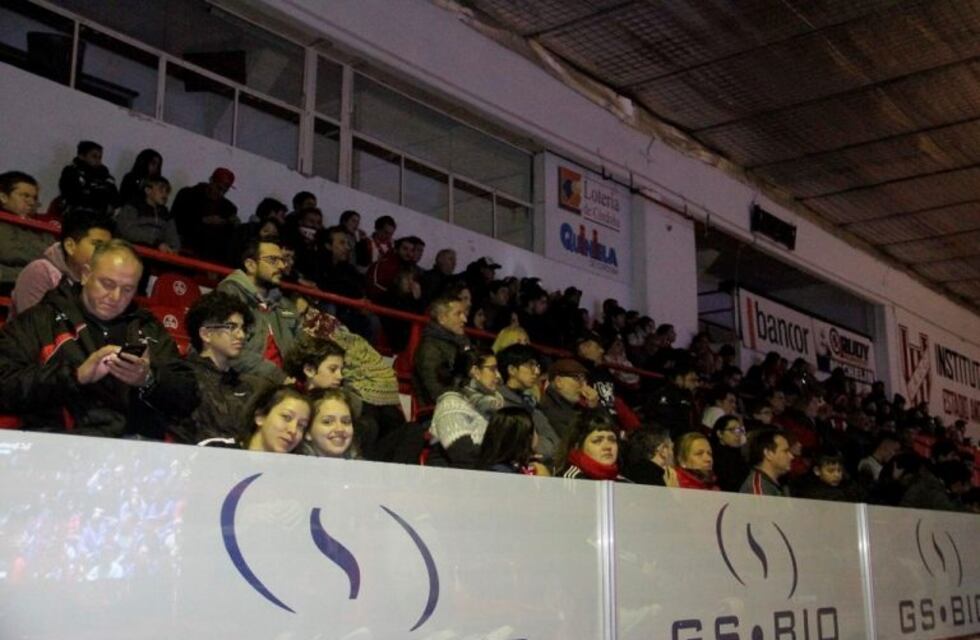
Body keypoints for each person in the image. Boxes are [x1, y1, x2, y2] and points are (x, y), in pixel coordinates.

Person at [0, 240, 197, 437]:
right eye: (107, 284)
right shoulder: (42, 320)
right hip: (61, 446)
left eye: (127, 289)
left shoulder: (148, 327)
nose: (115, 296)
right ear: (86, 275)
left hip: (137, 449)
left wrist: (149, 378)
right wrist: (76, 376)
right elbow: (5, 385)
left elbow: (188, 394)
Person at [173, 291, 258, 444]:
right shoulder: (183, 376)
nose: (241, 335)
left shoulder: (244, 386)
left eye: (243, 328)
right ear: (206, 334)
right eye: (231, 327)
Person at [217, 239, 301, 383]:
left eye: (282, 260)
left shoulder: (285, 305)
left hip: (285, 383)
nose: (281, 266)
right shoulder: (229, 294)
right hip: (243, 380)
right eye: (273, 260)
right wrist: (279, 377)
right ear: (251, 265)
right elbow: (227, 349)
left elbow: (302, 347)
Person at [11, 207, 114, 318]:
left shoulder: (97, 282)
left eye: (108, 247)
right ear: (70, 246)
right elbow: (34, 329)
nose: (105, 253)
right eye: (97, 245)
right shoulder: (40, 271)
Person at [496, 343, 560, 466]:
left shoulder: (531, 405)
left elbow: (557, 445)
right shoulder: (498, 403)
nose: (537, 371)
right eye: (530, 365)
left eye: (537, 366)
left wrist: (535, 445)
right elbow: (516, 447)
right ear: (512, 370)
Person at [199, 385, 310, 452]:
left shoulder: (296, 474)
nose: (293, 430)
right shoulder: (216, 450)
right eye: (286, 417)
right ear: (260, 417)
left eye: (301, 425)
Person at [412, 295, 470, 406]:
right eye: (458, 314)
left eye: (464, 313)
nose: (465, 319)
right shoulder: (429, 349)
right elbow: (436, 393)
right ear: (442, 318)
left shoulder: (462, 344)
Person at [172, 167, 239, 263]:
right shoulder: (187, 195)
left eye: (225, 191)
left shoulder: (228, 209)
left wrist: (230, 223)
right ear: (211, 180)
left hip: (209, 257)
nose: (220, 193)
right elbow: (175, 222)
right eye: (219, 188)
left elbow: (227, 240)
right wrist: (203, 221)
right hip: (182, 250)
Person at [0, 170, 49, 288]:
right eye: (25, 196)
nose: (31, 202)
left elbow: (53, 256)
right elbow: (7, 251)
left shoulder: (42, 228)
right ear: (3, 197)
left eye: (34, 197)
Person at [114, 176, 180, 253]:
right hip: (129, 251)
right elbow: (128, 231)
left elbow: (173, 239)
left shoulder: (165, 214)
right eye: (161, 190)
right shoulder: (133, 206)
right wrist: (156, 242)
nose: (165, 195)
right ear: (148, 190)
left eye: (167, 191)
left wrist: (173, 250)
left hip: (155, 254)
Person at [558, 411, 628, 481]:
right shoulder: (570, 481)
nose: (607, 447)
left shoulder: (624, 482)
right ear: (577, 446)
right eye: (597, 441)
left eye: (612, 440)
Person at [539, 358, 597, 441]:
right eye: (578, 379)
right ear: (559, 382)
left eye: (584, 380)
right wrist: (592, 410)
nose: (584, 385)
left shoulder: (577, 407)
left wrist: (594, 407)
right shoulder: (548, 408)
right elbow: (575, 440)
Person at [58, 140, 118, 214]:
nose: (98, 160)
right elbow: (74, 197)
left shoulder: (105, 175)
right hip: (76, 217)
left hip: (102, 218)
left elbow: (115, 199)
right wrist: (99, 197)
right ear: (81, 156)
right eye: (94, 156)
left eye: (100, 157)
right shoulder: (71, 172)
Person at [476, 406, 540, 474]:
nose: (537, 435)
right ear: (526, 439)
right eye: (534, 430)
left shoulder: (489, 465)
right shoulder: (501, 473)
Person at [298, 388, 357, 459]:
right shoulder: (292, 467)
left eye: (345, 422)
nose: (340, 429)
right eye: (327, 422)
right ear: (308, 432)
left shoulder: (365, 468)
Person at [646, 361, 699, 438]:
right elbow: (664, 424)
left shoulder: (687, 397)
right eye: (692, 380)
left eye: (697, 380)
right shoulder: (664, 395)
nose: (697, 384)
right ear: (679, 379)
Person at [740, 429, 794, 496]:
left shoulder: (782, 483)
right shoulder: (757, 488)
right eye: (785, 451)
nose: (791, 456)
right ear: (768, 454)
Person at [366, 236, 416, 301]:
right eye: (405, 249)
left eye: (411, 250)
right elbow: (375, 289)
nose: (409, 253)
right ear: (396, 249)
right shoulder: (385, 265)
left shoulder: (409, 268)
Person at [710, 414, 749, 492]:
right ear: (719, 433)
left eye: (739, 430)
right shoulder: (713, 456)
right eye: (732, 430)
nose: (738, 434)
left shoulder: (740, 454)